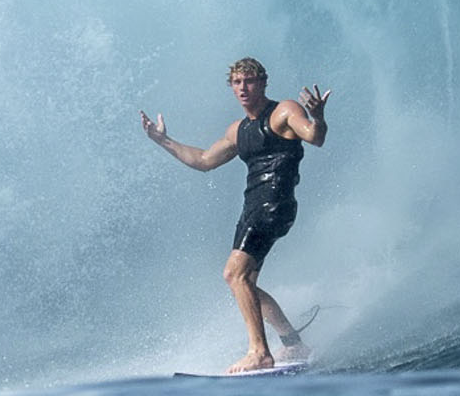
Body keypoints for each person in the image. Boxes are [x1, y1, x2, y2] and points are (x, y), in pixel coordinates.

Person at [140, 57, 330, 373]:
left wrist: (318, 116)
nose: (243, 88)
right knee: (246, 284)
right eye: (237, 82)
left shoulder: (284, 111)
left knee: (233, 274)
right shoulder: (237, 131)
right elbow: (203, 160)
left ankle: (259, 352)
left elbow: (315, 137)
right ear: (231, 87)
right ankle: (293, 342)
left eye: (250, 80)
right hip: (252, 209)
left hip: (275, 205)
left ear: (263, 82)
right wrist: (163, 141)